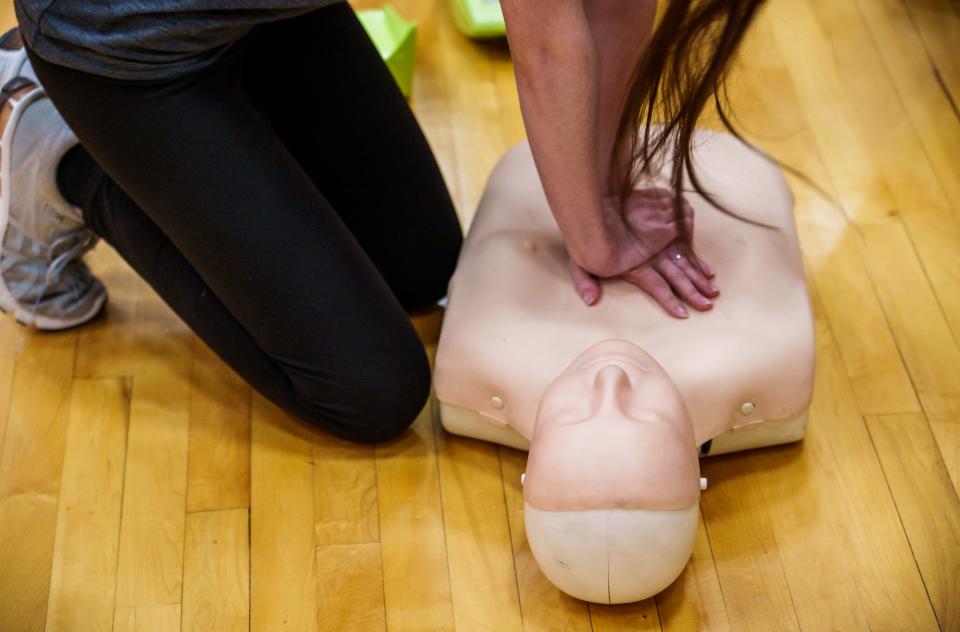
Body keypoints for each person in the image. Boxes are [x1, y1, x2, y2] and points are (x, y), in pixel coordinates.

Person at [1, 0, 762, 443]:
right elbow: (550, 37)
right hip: (120, 44)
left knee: (426, 266)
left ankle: (211, 147)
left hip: (263, 17)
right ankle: (61, 156)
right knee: (371, 392)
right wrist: (597, 238)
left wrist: (609, 186)